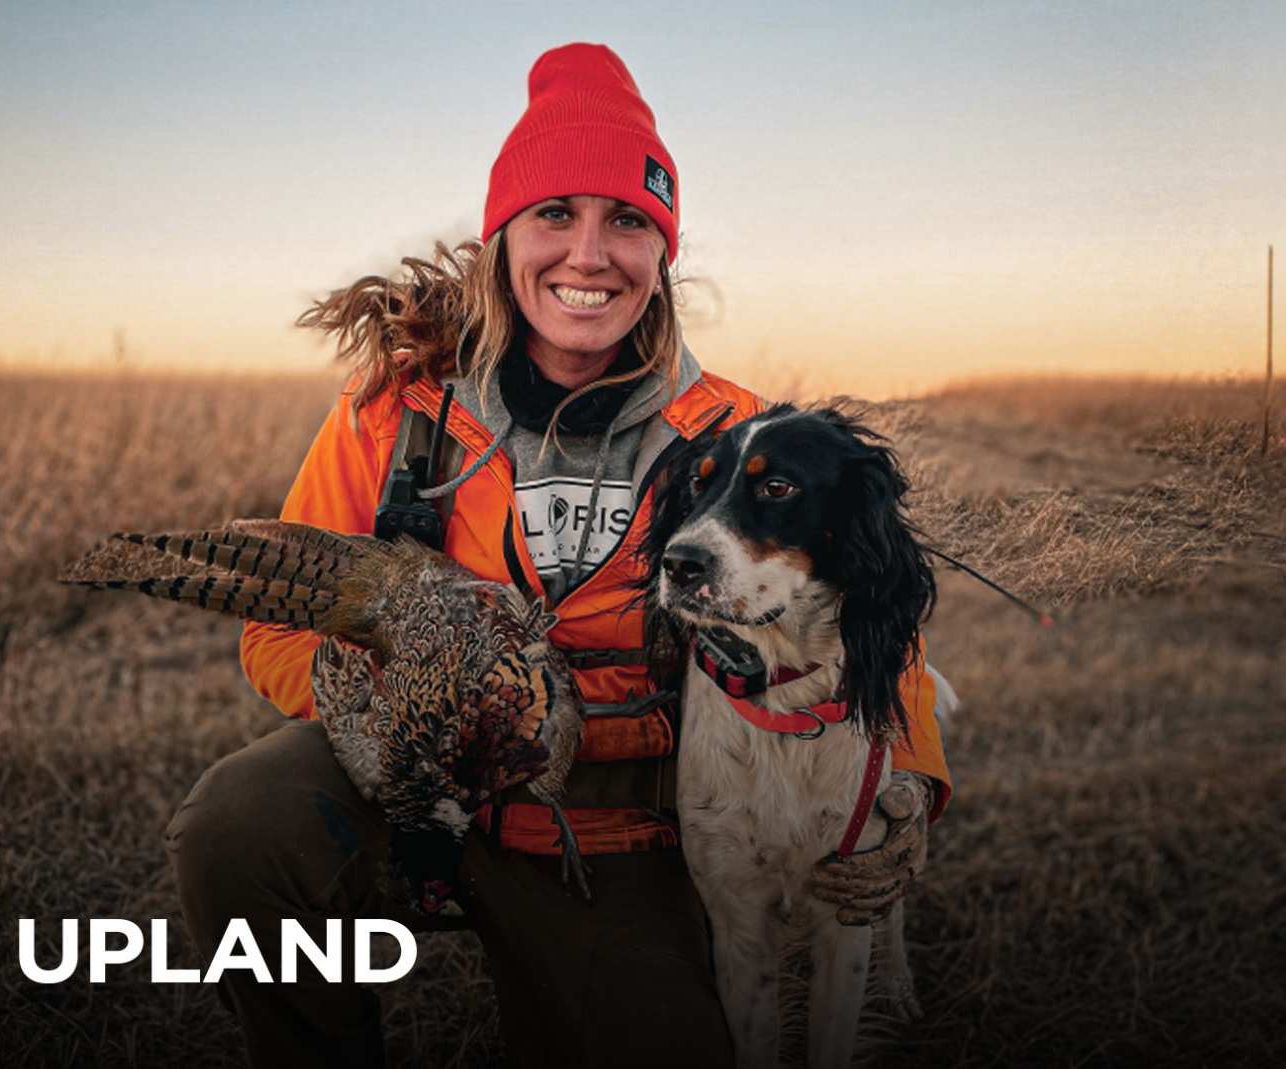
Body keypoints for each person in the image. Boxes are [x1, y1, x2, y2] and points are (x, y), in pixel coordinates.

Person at [165, 42, 952, 1069]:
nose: (589, 255)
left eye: (627, 220)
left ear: (662, 251)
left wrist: (910, 780)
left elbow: (872, 617)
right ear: (502, 241)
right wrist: (420, 704)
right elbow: (279, 628)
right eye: (554, 214)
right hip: (417, 786)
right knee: (240, 823)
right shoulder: (396, 418)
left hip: (622, 831)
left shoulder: (733, 435)